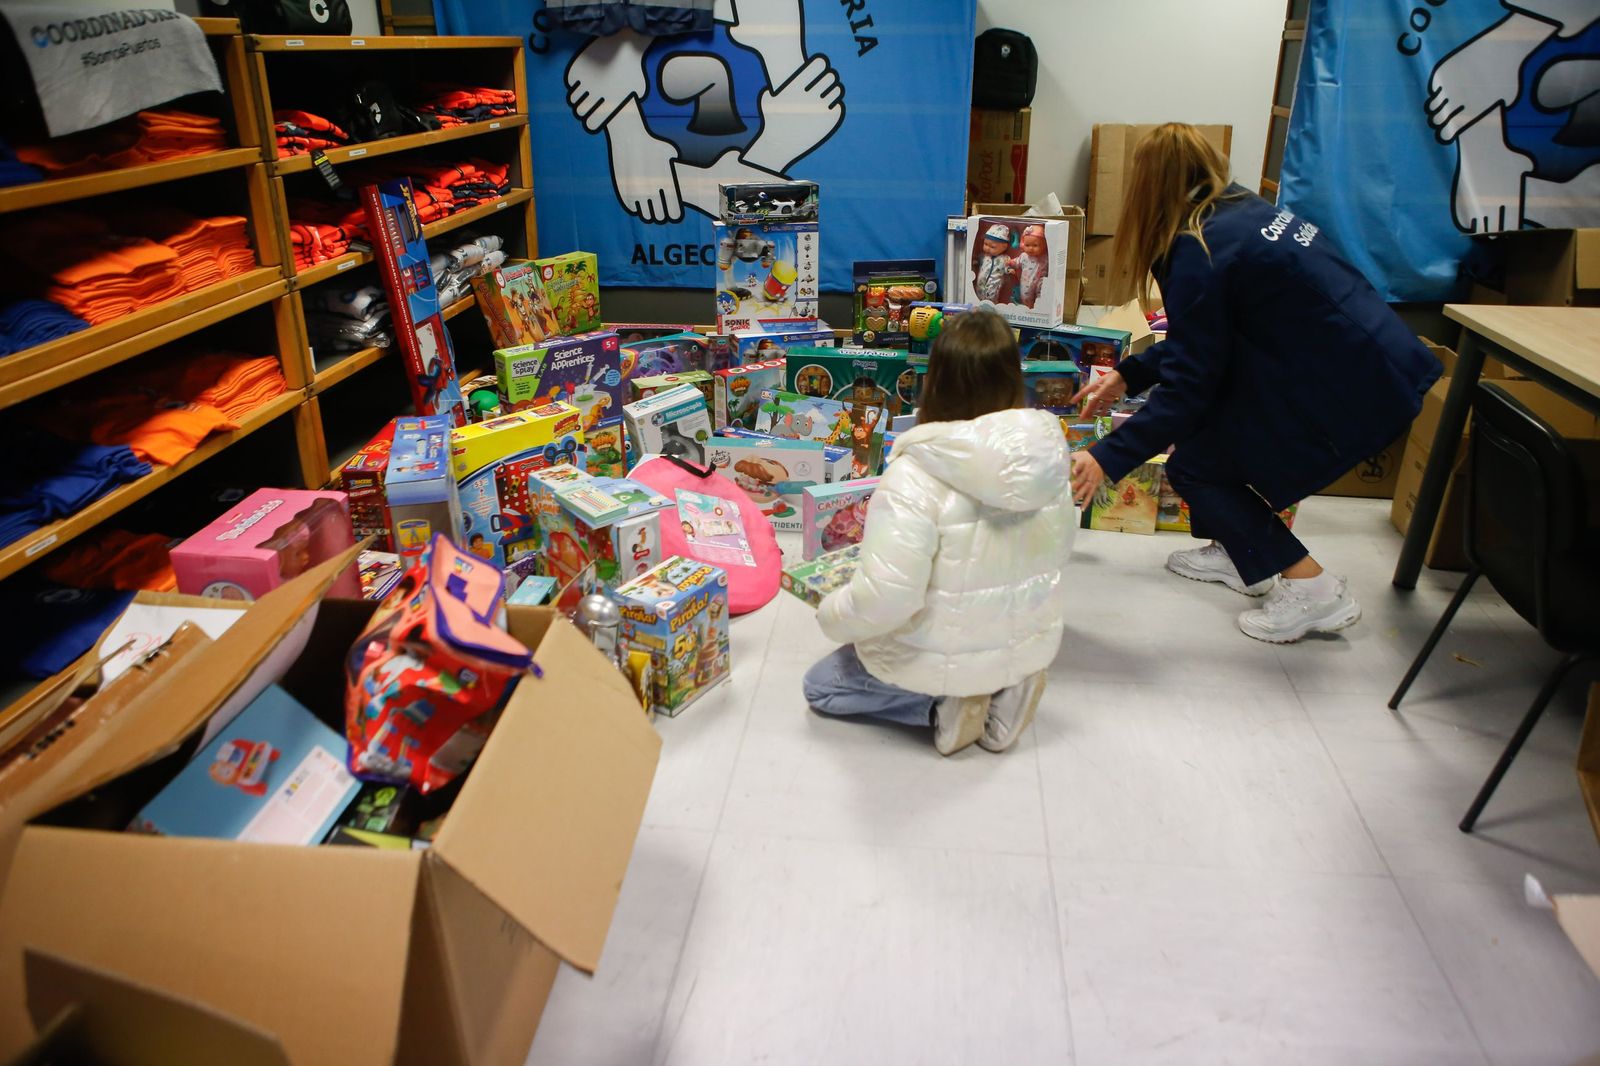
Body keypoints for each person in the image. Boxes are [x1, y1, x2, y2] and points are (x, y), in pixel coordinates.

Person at [1069, 123, 1441, 643]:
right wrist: (1128, 374)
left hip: (1345, 380)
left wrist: (1106, 457)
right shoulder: (1240, 210)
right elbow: (1210, 339)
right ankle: (1239, 552)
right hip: (1363, 356)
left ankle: (1315, 590)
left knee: (1199, 469)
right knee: (1209, 442)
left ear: (1149, 188)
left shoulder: (1198, 250)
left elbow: (1190, 384)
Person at [803, 309, 1076, 755]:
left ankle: (942, 707)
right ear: (1013, 377)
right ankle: (1007, 689)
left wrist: (831, 613)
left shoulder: (914, 474)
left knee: (820, 687)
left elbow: (888, 599)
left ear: (936, 382)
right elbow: (1060, 550)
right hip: (1021, 641)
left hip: (939, 653)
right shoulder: (1048, 458)